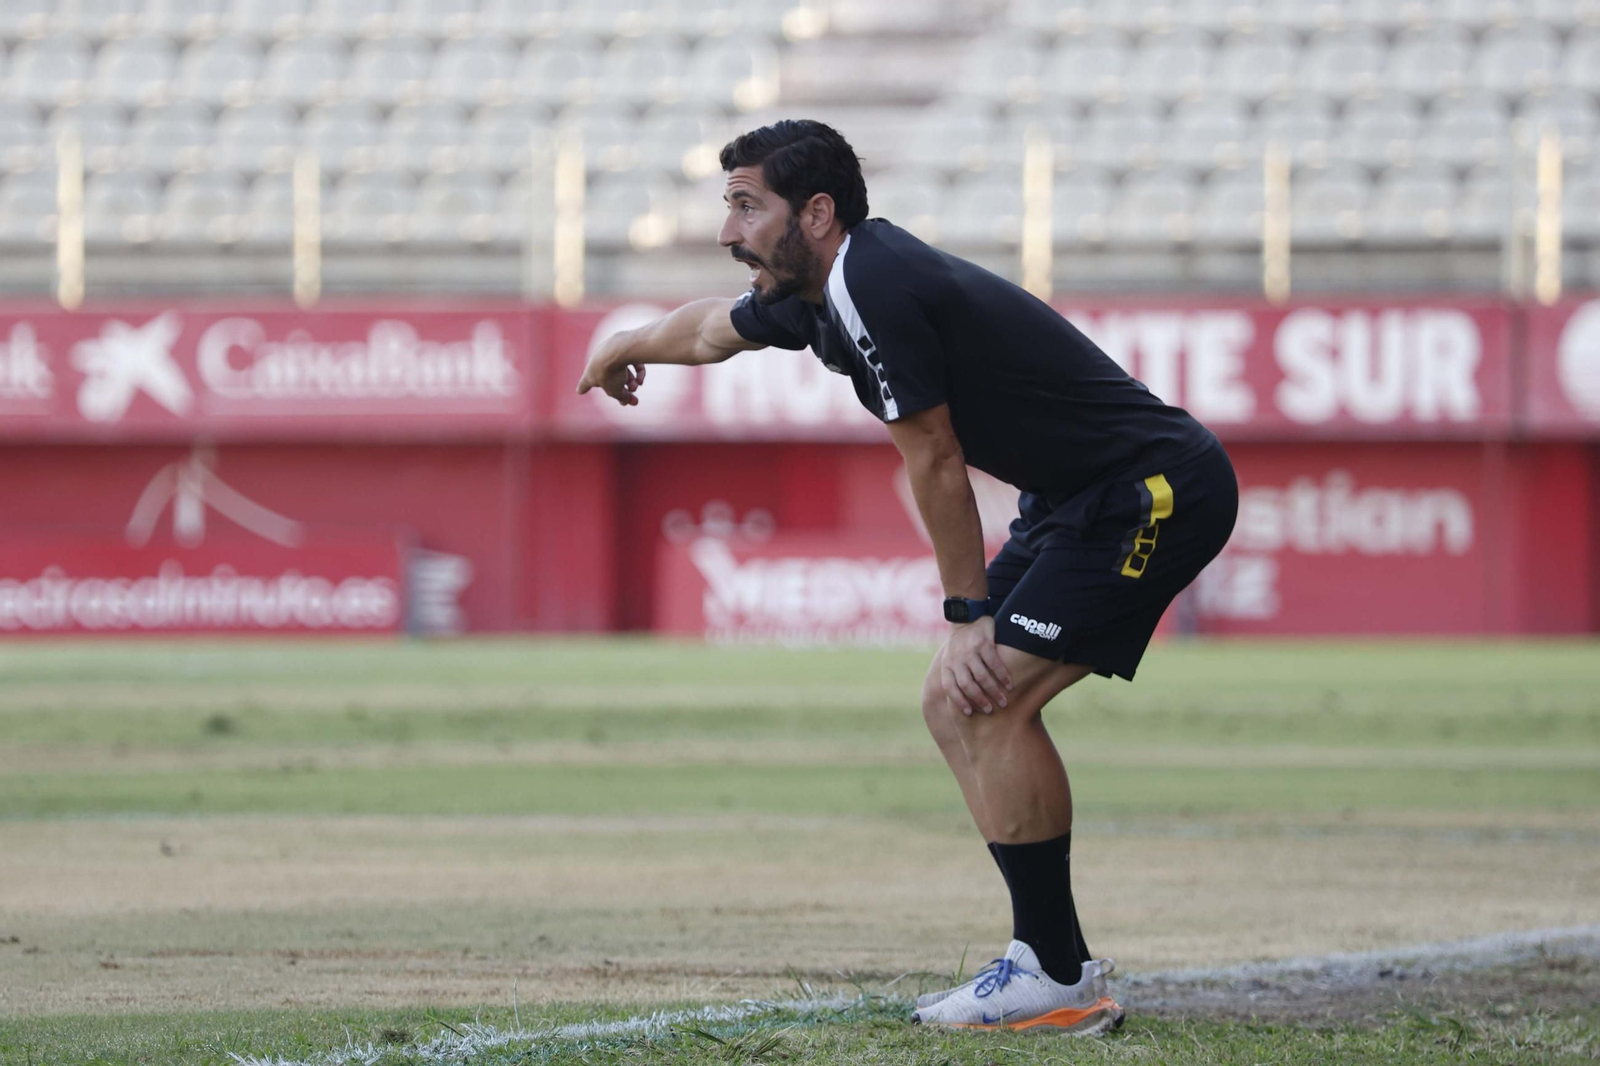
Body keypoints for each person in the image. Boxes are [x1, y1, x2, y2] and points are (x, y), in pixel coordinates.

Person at [577, 120, 1238, 1034]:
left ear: (816, 212)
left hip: (1151, 494)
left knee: (991, 693)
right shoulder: (812, 290)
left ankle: (1052, 974)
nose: (727, 231)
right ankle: (1049, 959)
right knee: (953, 703)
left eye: (744, 206)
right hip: (1076, 497)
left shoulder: (874, 283)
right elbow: (708, 331)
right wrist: (626, 345)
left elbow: (934, 460)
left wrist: (969, 615)